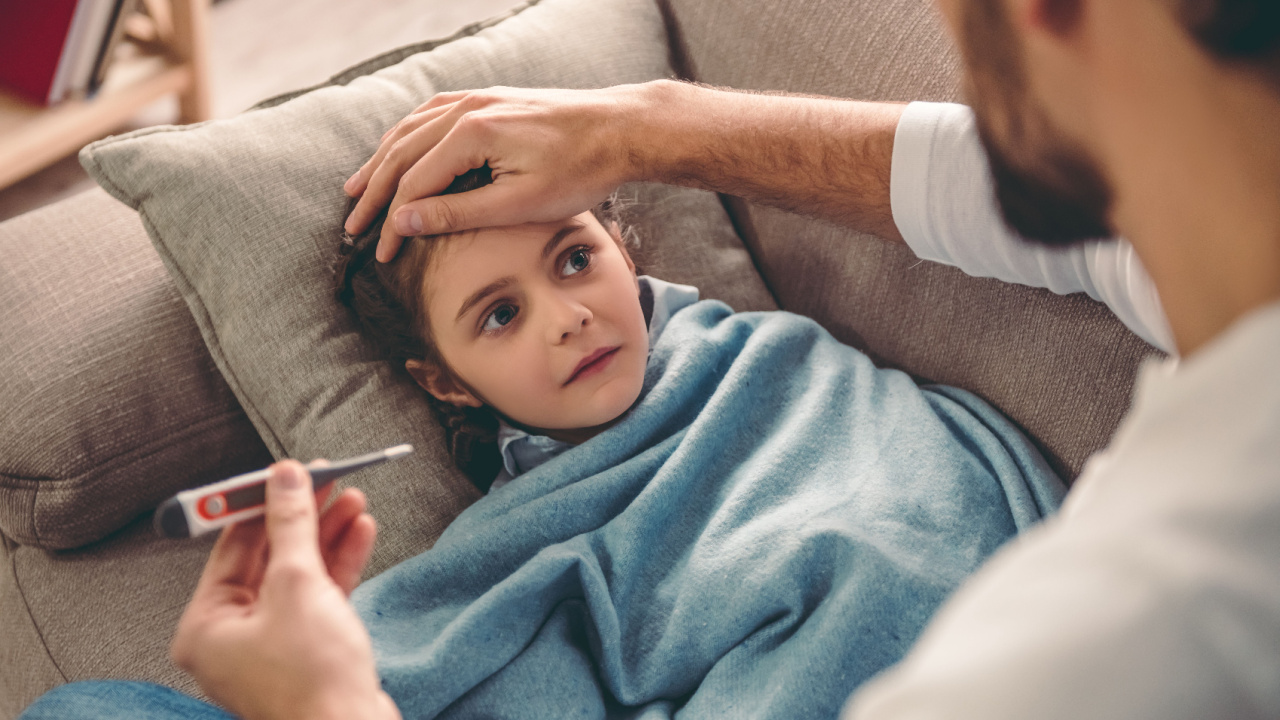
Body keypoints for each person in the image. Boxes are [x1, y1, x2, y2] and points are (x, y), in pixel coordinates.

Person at [22, 0, 1280, 717]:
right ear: (443, 381)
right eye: (497, 315)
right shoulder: (1181, 265)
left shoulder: (1136, 642)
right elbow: (1000, 192)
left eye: (572, 261)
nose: (566, 315)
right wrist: (651, 120)